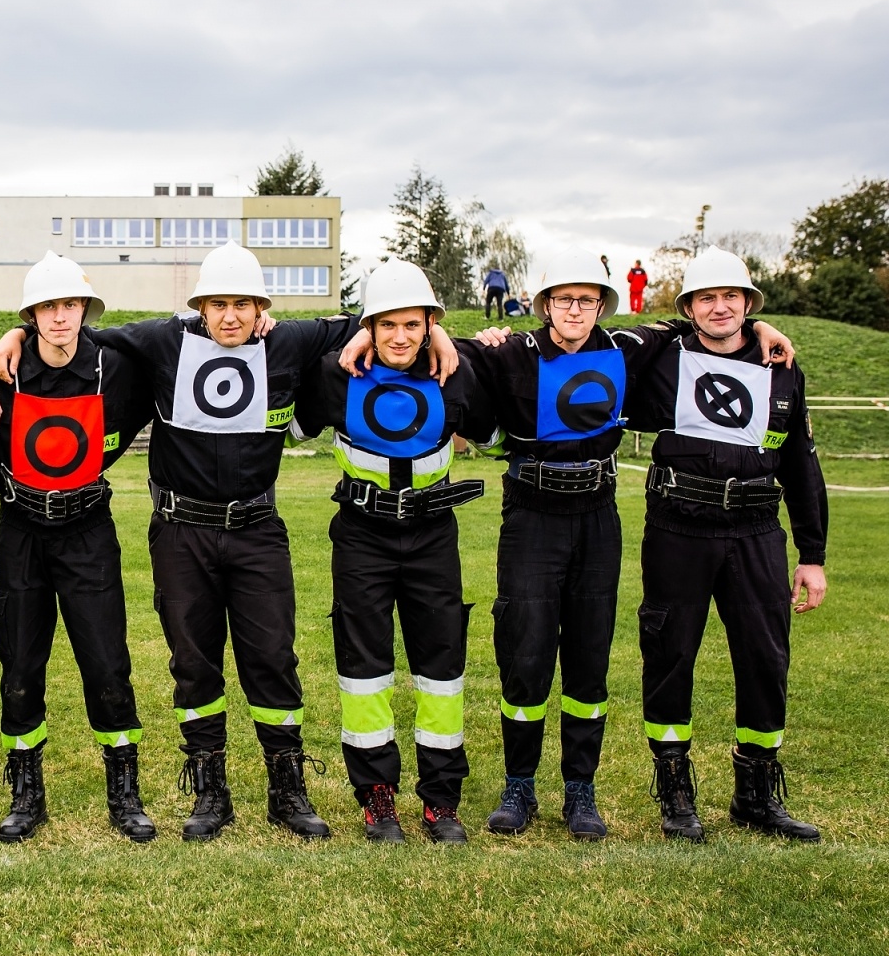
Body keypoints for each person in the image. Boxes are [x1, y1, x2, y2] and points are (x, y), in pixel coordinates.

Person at [350, 248, 792, 841]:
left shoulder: (627, 349)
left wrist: (761, 324)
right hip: (531, 517)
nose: (576, 310)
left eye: (587, 299)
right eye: (564, 300)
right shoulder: (510, 352)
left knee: (589, 657)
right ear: (545, 305)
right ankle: (520, 786)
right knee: (526, 654)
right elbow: (432, 342)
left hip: (597, 517)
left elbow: (702, 324)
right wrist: (406, 335)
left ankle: (580, 791)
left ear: (603, 305)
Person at [0, 242, 373, 842]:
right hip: (180, 532)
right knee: (193, 665)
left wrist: (418, 338)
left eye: (243, 305)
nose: (230, 317)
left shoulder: (289, 341)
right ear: (198, 307)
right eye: (217, 304)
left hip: (257, 530)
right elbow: (81, 341)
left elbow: (369, 323)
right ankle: (209, 791)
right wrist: (12, 339)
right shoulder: (162, 340)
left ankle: (286, 790)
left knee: (273, 659)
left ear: (261, 308)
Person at [628, 247, 826, 842]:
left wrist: (812, 556)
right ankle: (675, 792)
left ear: (747, 303)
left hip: (757, 533)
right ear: (689, 307)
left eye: (731, 297)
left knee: (766, 661)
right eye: (706, 298)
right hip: (678, 531)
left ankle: (755, 794)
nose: (720, 307)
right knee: (670, 657)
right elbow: (603, 343)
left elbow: (802, 464)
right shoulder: (664, 354)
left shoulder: (780, 366)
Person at [298, 260, 497, 844]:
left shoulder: (455, 370)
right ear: (370, 327)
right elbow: (287, 342)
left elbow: (492, 411)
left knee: (441, 671)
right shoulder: (337, 374)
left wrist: (457, 338)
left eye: (414, 324)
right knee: (365, 671)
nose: (401, 337)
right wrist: (350, 330)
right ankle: (376, 795)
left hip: (434, 532)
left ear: (431, 324)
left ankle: (441, 800)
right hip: (361, 533)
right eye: (387, 325)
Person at [0, 253, 158, 843]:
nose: (60, 318)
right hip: (21, 530)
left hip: (88, 529)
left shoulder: (117, 365)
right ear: (31, 315)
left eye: (69, 305)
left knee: (106, 661)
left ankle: (125, 791)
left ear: (84, 309)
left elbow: (182, 341)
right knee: (20, 662)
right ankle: (26, 793)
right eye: (47, 307)